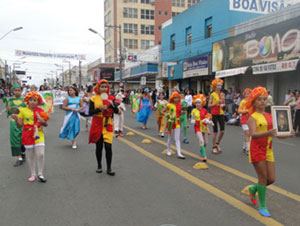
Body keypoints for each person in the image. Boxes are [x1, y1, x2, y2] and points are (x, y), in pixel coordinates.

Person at [245, 86, 294, 217]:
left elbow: (277, 134)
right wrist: (268, 132)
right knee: (263, 178)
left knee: (271, 179)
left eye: (264, 99)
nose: (263, 101)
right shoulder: (252, 117)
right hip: (256, 149)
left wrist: (288, 134)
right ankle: (263, 205)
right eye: (259, 99)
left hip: (268, 149)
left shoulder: (270, 116)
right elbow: (253, 134)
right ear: (254, 102)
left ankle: (253, 189)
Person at [11, 91, 49, 183]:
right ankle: (33, 174)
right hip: (27, 134)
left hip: (38, 134)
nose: (33, 102)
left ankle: (40, 173)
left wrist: (41, 121)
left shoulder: (41, 111)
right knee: (31, 155)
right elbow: (20, 125)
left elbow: (46, 124)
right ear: (28, 101)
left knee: (41, 154)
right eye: (31, 100)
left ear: (38, 101)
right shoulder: (23, 111)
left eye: (35, 100)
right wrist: (16, 119)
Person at [89, 79, 119, 176]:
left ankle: (109, 168)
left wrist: (112, 104)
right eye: (102, 87)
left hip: (108, 123)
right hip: (97, 123)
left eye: (106, 87)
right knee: (99, 146)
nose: (104, 88)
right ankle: (99, 165)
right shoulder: (93, 98)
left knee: (108, 146)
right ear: (98, 88)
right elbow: (90, 112)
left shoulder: (111, 98)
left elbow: (117, 111)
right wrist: (99, 109)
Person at [4, 82, 26, 166]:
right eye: (15, 90)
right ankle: (19, 157)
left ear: (21, 91)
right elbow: (9, 111)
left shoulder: (25, 100)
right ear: (13, 91)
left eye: (19, 90)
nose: (17, 92)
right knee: (15, 139)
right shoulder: (10, 101)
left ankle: (23, 150)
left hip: (23, 122)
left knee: (23, 139)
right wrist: (8, 107)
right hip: (14, 123)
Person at [163, 91, 185, 159]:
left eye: (177, 98)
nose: (176, 99)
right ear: (172, 98)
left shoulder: (180, 105)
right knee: (170, 138)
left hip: (177, 123)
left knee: (177, 138)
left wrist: (182, 112)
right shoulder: (169, 105)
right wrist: (168, 115)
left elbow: (179, 113)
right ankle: (168, 150)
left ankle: (179, 153)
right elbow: (163, 111)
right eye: (175, 98)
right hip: (170, 123)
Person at [208, 78, 225, 154]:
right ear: (214, 86)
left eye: (220, 85)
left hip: (221, 113)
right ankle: (214, 147)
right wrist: (216, 103)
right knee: (215, 132)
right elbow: (209, 105)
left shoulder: (222, 94)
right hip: (214, 114)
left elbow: (223, 104)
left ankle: (217, 143)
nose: (219, 87)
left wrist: (223, 105)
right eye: (218, 85)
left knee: (222, 131)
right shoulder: (212, 95)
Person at [191, 94, 210, 162]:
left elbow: (208, 118)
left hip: (204, 128)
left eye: (199, 102)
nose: (198, 104)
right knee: (201, 141)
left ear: (202, 103)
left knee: (205, 143)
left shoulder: (205, 110)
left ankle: (201, 149)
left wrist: (207, 121)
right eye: (196, 102)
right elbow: (192, 121)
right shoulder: (193, 111)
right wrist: (195, 121)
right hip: (197, 128)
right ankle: (205, 156)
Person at [238, 88, 252, 155]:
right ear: (244, 94)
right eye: (246, 94)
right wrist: (245, 111)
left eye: (249, 93)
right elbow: (239, 111)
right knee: (247, 133)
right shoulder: (243, 102)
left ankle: (244, 146)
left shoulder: (252, 102)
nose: (248, 95)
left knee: (247, 134)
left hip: (251, 120)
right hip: (244, 120)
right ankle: (248, 149)